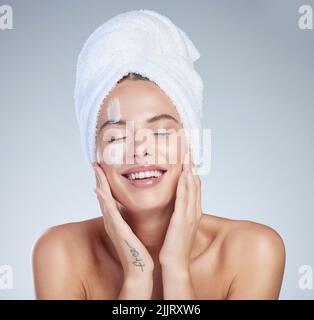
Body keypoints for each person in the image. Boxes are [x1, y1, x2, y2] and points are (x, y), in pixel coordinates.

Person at [32, 72, 285, 300]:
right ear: (95, 157)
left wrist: (176, 269)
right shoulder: (59, 253)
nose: (140, 150)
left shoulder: (253, 251)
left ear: (191, 146)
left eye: (162, 132)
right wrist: (137, 276)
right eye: (117, 137)